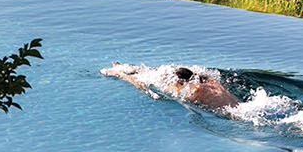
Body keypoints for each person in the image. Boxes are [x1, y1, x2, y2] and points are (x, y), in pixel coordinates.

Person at [104, 61, 242, 111]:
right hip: (243, 105)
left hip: (236, 115)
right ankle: (126, 67)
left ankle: (123, 70)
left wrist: (122, 75)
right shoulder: (209, 81)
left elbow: (142, 85)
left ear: (181, 83)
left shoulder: (194, 92)